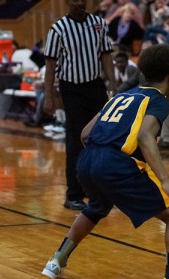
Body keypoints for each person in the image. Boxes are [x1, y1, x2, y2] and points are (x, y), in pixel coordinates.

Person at [42, 44, 169, 279]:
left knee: (96, 208)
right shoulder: (159, 100)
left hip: (87, 159)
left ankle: (56, 261)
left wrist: (101, 161)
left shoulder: (122, 96)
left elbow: (85, 133)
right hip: (114, 163)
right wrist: (166, 180)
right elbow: (145, 135)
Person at [43, 0, 117, 210]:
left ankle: (100, 190)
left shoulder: (99, 23)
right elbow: (50, 65)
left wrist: (113, 84)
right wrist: (48, 96)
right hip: (71, 88)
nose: (78, 2)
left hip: (95, 87)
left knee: (102, 138)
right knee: (76, 140)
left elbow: (106, 56)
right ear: (67, 2)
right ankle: (73, 193)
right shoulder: (58, 28)